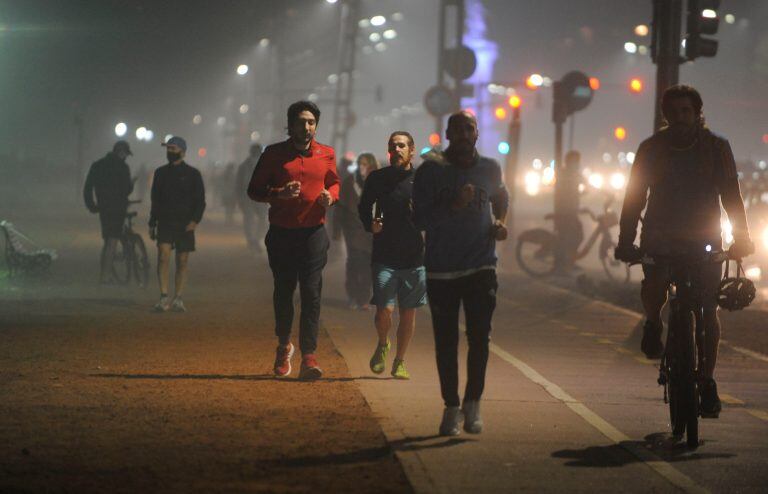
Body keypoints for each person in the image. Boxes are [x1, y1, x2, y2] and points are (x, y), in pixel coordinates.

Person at [615, 85, 754, 417]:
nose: (680, 118)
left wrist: (742, 237)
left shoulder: (716, 148)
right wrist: (625, 241)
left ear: (697, 114)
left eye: (686, 112)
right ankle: (652, 322)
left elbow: (731, 197)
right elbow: (634, 198)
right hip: (659, 235)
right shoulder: (651, 149)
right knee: (655, 286)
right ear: (665, 116)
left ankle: (706, 380)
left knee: (708, 309)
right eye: (674, 112)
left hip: (704, 237)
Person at [413, 111, 509, 436]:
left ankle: (473, 403)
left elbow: (501, 198)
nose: (465, 134)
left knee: (480, 338)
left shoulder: (490, 168)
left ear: (477, 133)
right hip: (442, 269)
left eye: (470, 128)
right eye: (459, 129)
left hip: (481, 265)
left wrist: (500, 223)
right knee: (446, 342)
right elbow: (419, 220)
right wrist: (453, 206)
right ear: (448, 134)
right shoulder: (431, 171)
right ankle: (451, 407)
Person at [247, 100, 339, 381]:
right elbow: (254, 190)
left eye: (311, 122)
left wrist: (330, 197)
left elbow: (334, 183)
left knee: (311, 293)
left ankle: (308, 356)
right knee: (284, 291)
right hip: (282, 233)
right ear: (291, 125)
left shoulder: (326, 154)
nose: (307, 127)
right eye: (301, 121)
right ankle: (284, 345)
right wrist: (278, 193)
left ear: (316, 125)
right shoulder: (274, 154)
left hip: (313, 233)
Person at [358, 131, 426, 380]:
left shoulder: (422, 180)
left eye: (401, 146)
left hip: (414, 257)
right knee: (383, 311)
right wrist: (370, 224)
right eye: (392, 146)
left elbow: (434, 211)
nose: (396, 150)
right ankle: (383, 343)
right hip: (384, 255)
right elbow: (363, 207)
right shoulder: (377, 179)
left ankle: (400, 360)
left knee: (408, 312)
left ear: (411, 150)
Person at [148, 136, 206, 313]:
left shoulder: (193, 174)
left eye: (173, 149)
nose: (170, 152)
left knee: (182, 260)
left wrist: (195, 221)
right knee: (163, 256)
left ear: (182, 151)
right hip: (165, 222)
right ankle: (164, 296)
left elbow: (200, 201)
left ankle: (178, 297)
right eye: (168, 149)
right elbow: (155, 200)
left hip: (185, 224)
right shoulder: (160, 173)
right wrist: (152, 222)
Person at [83, 140, 134, 284]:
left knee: (107, 241)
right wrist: (132, 184)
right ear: (122, 152)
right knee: (112, 241)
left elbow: (88, 187)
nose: (126, 158)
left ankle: (105, 274)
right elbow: (126, 189)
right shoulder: (123, 167)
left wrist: (92, 206)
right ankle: (105, 277)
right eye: (126, 155)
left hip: (103, 208)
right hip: (118, 208)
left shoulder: (97, 165)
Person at [335, 153, 379, 309]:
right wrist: (337, 231)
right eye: (360, 163)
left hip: (371, 232)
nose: (362, 167)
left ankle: (364, 297)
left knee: (368, 265)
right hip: (353, 230)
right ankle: (353, 295)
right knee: (354, 261)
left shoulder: (378, 183)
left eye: (365, 164)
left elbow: (382, 207)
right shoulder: (349, 183)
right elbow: (340, 209)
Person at [236, 143, 267, 252]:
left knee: (259, 218)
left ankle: (255, 239)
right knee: (251, 219)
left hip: (257, 197)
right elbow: (239, 184)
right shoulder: (245, 166)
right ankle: (252, 240)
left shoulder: (264, 165)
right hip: (248, 197)